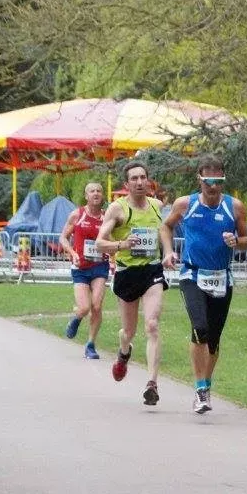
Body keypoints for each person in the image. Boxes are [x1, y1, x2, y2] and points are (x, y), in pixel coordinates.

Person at [159, 156, 247, 414]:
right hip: (192, 275)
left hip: (222, 277)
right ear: (199, 179)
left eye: (218, 181)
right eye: (208, 181)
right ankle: (200, 389)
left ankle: (206, 384)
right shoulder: (185, 204)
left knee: (213, 339)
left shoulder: (234, 207)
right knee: (200, 328)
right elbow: (165, 227)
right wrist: (168, 251)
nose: (213, 186)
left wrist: (236, 241)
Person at [97, 161, 168, 405]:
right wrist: (122, 244)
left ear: (148, 181)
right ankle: (124, 352)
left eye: (143, 177)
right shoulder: (118, 209)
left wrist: (168, 252)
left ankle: (152, 384)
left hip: (152, 271)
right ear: (126, 184)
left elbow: (164, 232)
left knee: (152, 325)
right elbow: (100, 243)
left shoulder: (157, 206)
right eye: (134, 179)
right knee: (129, 332)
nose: (139, 182)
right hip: (127, 273)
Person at [58, 180, 110, 359]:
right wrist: (72, 253)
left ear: (102, 195)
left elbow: (111, 240)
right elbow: (63, 237)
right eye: (92, 191)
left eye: (99, 191)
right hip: (80, 267)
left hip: (100, 266)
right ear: (86, 196)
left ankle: (90, 345)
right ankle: (77, 318)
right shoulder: (77, 215)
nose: (96, 193)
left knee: (97, 306)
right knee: (84, 308)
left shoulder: (106, 218)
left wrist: (114, 252)